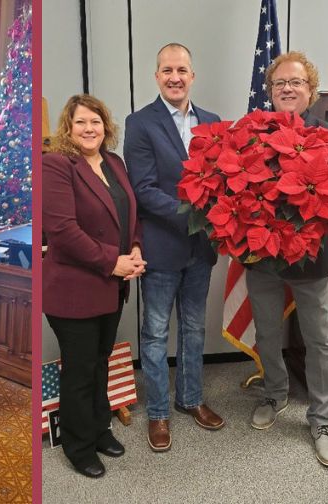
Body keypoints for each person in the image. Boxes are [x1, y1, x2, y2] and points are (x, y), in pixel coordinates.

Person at [124, 43, 223, 452]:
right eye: (167, 70)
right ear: (157, 76)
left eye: (182, 69)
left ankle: (191, 399)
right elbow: (144, 191)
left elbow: (222, 183)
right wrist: (198, 214)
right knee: (155, 332)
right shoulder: (140, 123)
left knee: (195, 329)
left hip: (201, 251)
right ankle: (158, 413)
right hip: (162, 248)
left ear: (193, 75)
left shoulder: (213, 122)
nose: (175, 77)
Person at [43, 94, 145, 478]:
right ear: (68, 128)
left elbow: (130, 215)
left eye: (96, 122)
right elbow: (63, 232)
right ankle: (77, 444)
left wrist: (134, 248)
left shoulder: (115, 163)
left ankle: (99, 427)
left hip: (112, 286)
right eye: (81, 122)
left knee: (100, 361)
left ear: (106, 126)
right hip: (74, 289)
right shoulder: (57, 164)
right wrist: (112, 261)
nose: (89, 129)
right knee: (80, 369)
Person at [245, 51, 328, 468]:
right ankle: (275, 395)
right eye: (279, 82)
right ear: (270, 91)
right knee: (266, 331)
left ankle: (322, 420)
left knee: (319, 341)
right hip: (262, 258)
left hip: (311, 260)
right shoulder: (249, 136)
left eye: (295, 82)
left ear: (310, 90)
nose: (287, 88)